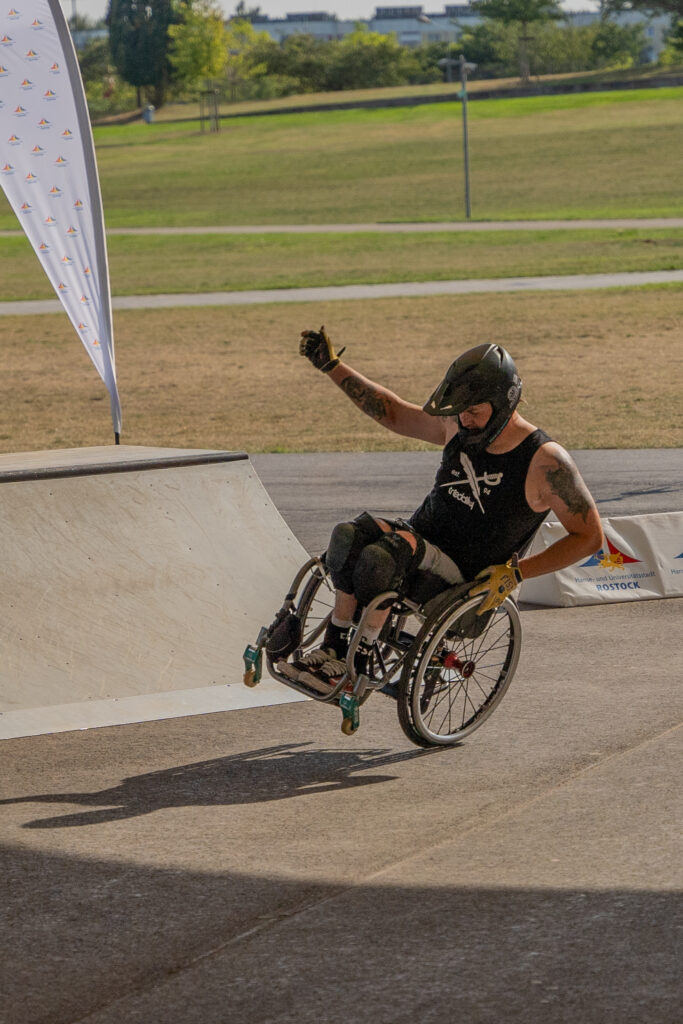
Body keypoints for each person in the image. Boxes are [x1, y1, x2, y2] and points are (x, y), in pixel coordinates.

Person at [279, 326, 603, 693]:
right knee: (349, 535)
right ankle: (333, 650)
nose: (464, 421)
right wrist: (333, 367)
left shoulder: (545, 461)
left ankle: (359, 659)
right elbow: (392, 413)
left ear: (505, 403)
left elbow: (589, 536)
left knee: (385, 555)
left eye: (475, 412)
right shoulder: (459, 425)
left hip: (464, 581)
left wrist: (517, 572)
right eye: (460, 412)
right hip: (417, 548)